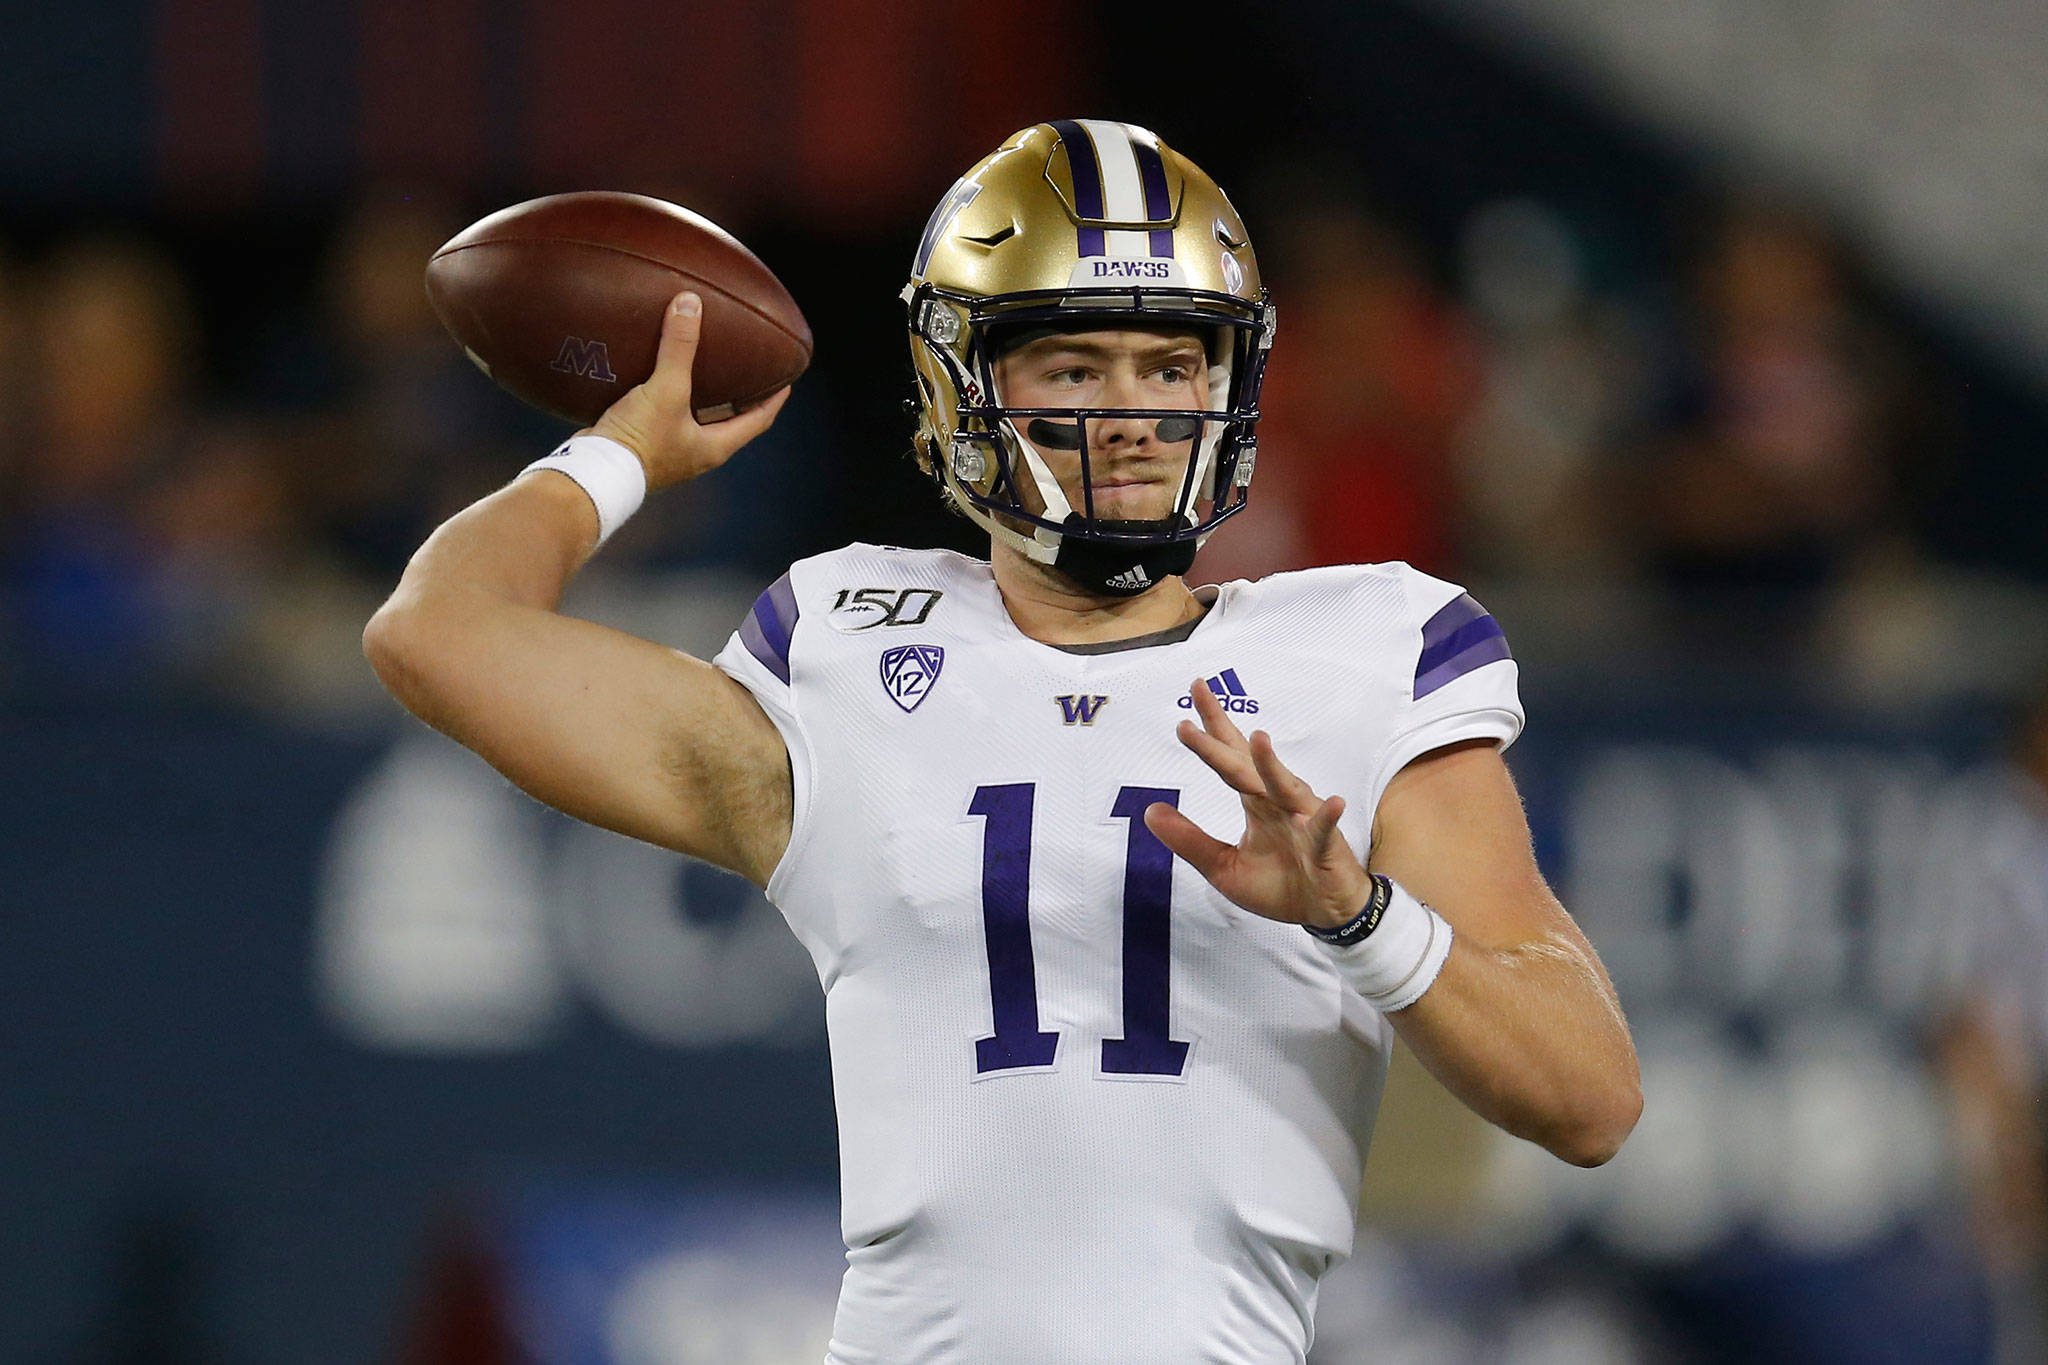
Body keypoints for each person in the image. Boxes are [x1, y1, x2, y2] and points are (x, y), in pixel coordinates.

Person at [364, 120, 1640, 1364]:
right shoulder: (849, 653)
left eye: (1170, 364)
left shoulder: (1365, 650)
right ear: (961, 385)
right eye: (1073, 369)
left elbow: (1588, 1101)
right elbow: (438, 634)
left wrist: (1359, 915)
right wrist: (618, 453)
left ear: (1230, 380)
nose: (1133, 415)